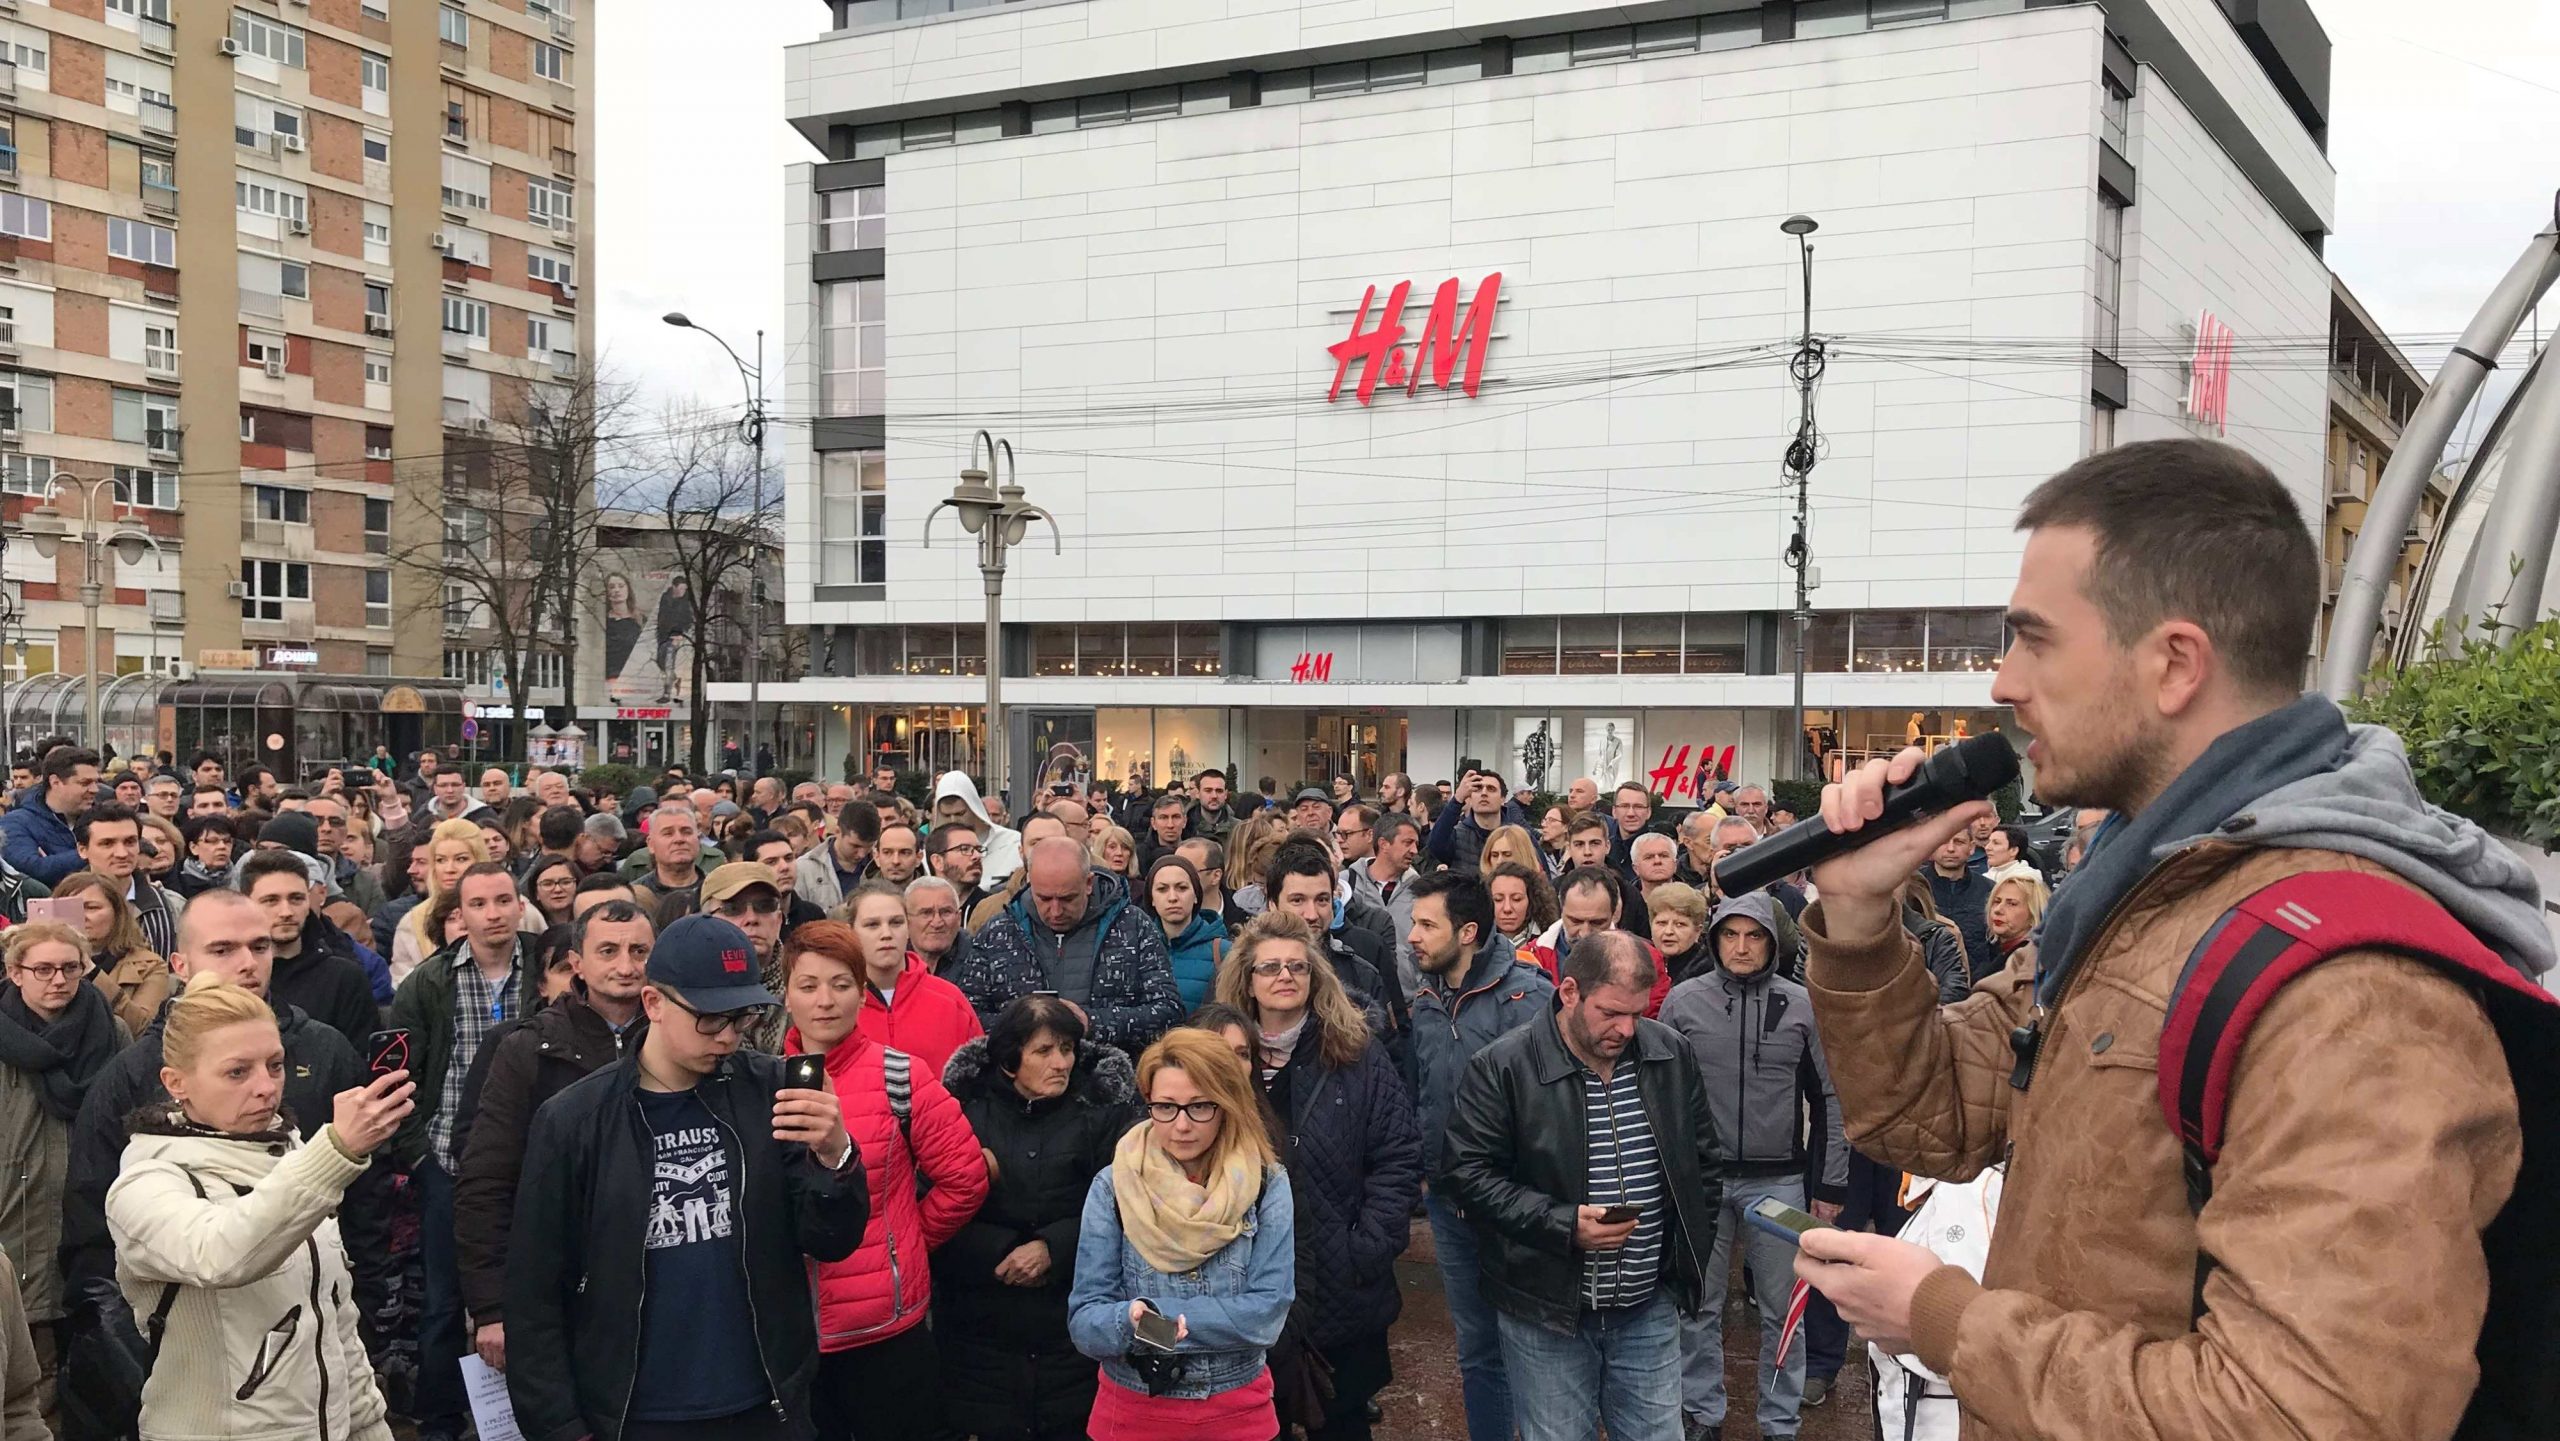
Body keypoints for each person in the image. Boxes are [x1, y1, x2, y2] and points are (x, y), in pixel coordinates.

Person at [1793, 438, 2548, 1438]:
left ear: (2174, 664)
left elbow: (2303, 1415)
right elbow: (1925, 1117)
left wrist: (1947, 1320)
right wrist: (1853, 913)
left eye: (2033, 638)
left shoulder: (2350, 988)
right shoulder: (2143, 900)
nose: (2000, 681)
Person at [504, 914, 870, 1441]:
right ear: (653, 1004)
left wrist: (834, 1156)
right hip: (636, 1410)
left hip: (764, 1402)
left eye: (740, 1017)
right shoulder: (576, 1119)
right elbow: (534, 1290)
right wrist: (561, 1426)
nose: (727, 1035)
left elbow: (829, 1241)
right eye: (709, 1018)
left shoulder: (770, 1091)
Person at [1439, 928, 1726, 1441]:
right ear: (1568, 992)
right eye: (1611, 1013)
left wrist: (1682, 1267)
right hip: (1546, 1314)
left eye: (1638, 1014)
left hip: (1648, 1307)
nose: (1628, 1029)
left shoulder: (1670, 1054)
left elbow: (1703, 1166)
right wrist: (1563, 1225)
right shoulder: (1503, 1066)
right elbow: (1467, 1176)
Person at [103, 976, 411, 1441]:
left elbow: (334, 1321)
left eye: (276, 1064)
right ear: (176, 1083)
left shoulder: (292, 1155)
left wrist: (369, 1423)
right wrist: (334, 1152)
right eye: (237, 1072)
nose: (266, 1087)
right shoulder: (147, 1182)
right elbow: (221, 1252)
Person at [1213, 912, 1420, 1441]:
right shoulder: (1213, 1053)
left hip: (1342, 1276)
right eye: (1270, 967)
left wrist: (1369, 1246)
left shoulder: (1356, 1051)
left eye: (1297, 967)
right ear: (1247, 978)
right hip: (1247, 1278)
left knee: (1344, 1421)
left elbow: (1396, 1155)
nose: (1285, 976)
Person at [780, 919, 988, 1441]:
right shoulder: (758, 1080)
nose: (825, 1001)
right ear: (786, 996)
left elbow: (964, 1177)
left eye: (841, 984)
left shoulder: (901, 1075)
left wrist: (905, 1239)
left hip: (885, 1327)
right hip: (790, 1330)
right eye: (808, 986)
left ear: (861, 993)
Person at [1658, 891, 1844, 1441]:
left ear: (1772, 941)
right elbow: (1660, 1098)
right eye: (1730, 935)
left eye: (1754, 935)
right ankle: (1702, 1413)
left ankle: (1780, 1421)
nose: (1742, 947)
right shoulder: (1684, 1002)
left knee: (1785, 1311)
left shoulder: (1803, 1004)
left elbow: (1831, 1099)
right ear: (1714, 940)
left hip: (1780, 1184)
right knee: (1698, 1306)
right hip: (1703, 1182)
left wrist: (1830, 1184)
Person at [453, 899, 654, 1374]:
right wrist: (491, 1306)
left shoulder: (678, 1037)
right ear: (578, 962)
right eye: (608, 951)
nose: (626, 966)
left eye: (639, 951)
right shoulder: (527, 1049)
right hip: (559, 1279)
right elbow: (487, 1178)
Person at [1067, 1027, 1294, 1439]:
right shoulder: (1112, 1185)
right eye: (1166, 1107)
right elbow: (1085, 1321)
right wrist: (1131, 1321)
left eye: (1200, 1106)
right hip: (1133, 1412)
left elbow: (1266, 1316)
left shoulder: (1267, 1184)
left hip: (1238, 1413)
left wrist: (1151, 1325)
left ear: (1228, 1105)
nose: (1182, 1125)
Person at [938, 995, 1139, 1441]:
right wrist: (1001, 1250)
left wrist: (1055, 1247)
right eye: (1044, 1051)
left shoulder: (1103, 1115)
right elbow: (934, 1211)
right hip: (983, 1329)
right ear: (1010, 1061)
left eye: (1067, 1048)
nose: (1061, 1062)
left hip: (1070, 1325)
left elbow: (1125, 1204)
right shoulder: (962, 1112)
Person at [387, 861, 539, 1441]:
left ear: (519, 905)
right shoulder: (429, 982)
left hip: (531, 1158)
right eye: (480, 904)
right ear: (460, 913)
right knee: (445, 1304)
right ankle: (441, 1421)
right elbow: (401, 1073)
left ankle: (529, 1415)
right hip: (450, 1159)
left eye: (504, 900)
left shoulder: (543, 966)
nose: (494, 913)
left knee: (532, 1292)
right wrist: (418, 1154)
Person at [1403, 870, 1554, 1441]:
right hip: (1449, 1200)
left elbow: (1555, 1101)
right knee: (1476, 1345)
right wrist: (1426, 1169)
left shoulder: (1529, 994)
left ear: (1467, 932)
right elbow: (1423, 1089)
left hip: (1517, 1202)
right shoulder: (1425, 998)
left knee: (1536, 1344)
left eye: (1425, 925)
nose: (1412, 936)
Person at [0, 919, 124, 1411]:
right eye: (44, 969)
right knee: (29, 1387)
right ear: (15, 973)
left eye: (70, 968)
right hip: (15, 1228)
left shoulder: (111, 1033)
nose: (58, 980)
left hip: (92, 1226)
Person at [953, 836, 1184, 1055]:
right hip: (1017, 1088)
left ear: (1089, 883)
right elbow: (966, 1017)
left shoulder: (1133, 926)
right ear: (1029, 883)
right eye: (1043, 898)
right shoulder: (998, 932)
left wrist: (1091, 1022)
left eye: (1067, 899)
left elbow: (1168, 1010)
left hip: (1109, 1084)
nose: (1055, 911)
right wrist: (1026, 1025)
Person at [823, 885, 983, 1077]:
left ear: (908, 927)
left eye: (896, 923)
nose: (886, 934)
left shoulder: (950, 999)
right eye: (872, 925)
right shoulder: (831, 1004)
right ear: (850, 932)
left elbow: (981, 1080)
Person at [241, 850, 381, 1054]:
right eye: (271, 900)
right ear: (245, 904)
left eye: (296, 899)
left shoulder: (344, 979)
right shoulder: (231, 974)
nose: (286, 912)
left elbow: (360, 1063)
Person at [50, 870, 171, 1036]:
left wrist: (92, 972)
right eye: (70, 910)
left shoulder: (150, 965)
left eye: (91, 908)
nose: (81, 917)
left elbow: (145, 1030)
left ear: (117, 913)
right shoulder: (37, 964)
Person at [75, 803, 184, 962]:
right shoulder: (61, 908)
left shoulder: (172, 905)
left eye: (130, 842)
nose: (122, 853)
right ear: (82, 850)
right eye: (107, 844)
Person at [391, 819, 493, 985]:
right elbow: (401, 985)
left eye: (461, 859)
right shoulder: (413, 921)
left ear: (480, 860)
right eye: (440, 860)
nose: (449, 869)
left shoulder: (512, 908)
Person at [1342, 812, 1418, 997]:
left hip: (1408, 1002)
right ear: (1384, 844)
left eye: (1416, 844)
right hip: (1354, 999)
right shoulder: (1345, 884)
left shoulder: (1420, 890)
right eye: (1407, 843)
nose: (1415, 850)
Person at [2, 749, 99, 887]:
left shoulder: (103, 818)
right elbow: (34, 870)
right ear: (55, 782)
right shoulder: (15, 823)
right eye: (85, 783)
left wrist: (55, 862)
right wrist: (96, 853)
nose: (95, 789)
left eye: (96, 782)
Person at [1144, 853, 1227, 1011]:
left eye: (1182, 888)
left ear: (1196, 895)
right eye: (1162, 889)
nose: (1173, 897)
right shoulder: (1138, 950)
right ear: (1152, 899)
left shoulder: (1223, 951)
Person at [1922, 828, 1995, 983]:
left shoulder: (1990, 890)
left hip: (1976, 987)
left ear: (1972, 847)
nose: (1950, 848)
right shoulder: (1914, 889)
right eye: (1943, 842)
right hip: (1923, 986)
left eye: (1959, 842)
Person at [934, 771, 1023, 884]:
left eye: (960, 814)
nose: (953, 821)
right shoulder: (934, 852)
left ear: (974, 808)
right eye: (946, 815)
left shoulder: (1013, 842)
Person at [631, 802, 710, 926]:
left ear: (698, 840)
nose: (679, 839)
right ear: (651, 844)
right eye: (668, 833)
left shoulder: (716, 891)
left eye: (686, 832)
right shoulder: (634, 897)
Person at [796, 798, 879, 914]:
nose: (862, 854)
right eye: (855, 846)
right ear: (837, 831)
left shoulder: (883, 866)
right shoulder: (804, 868)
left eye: (869, 846)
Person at [1647, 881, 1711, 986]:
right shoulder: (1639, 963)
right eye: (1662, 923)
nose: (1668, 931)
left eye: (1680, 924)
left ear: (1697, 931)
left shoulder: (1707, 971)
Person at [1484, 861, 1556, 953]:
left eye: (1516, 899)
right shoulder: (1476, 943)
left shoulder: (1551, 940)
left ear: (1531, 900)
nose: (1507, 908)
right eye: (1498, 899)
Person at [1985, 870, 2047, 965]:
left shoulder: (2033, 961)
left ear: (2033, 913)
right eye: (1997, 901)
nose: (1998, 910)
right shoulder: (1988, 951)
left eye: (2012, 904)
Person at [1184, 769, 1238, 844]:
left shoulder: (1239, 829)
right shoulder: (1184, 827)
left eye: (1219, 791)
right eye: (1208, 790)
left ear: (1225, 794)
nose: (1214, 796)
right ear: (1198, 794)